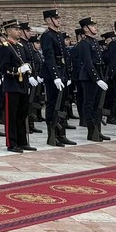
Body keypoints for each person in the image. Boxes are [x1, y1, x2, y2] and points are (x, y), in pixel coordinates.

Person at [0, 21, 33, 153]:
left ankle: (22, 141)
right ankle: (12, 143)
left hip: (22, 85)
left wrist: (28, 67)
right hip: (12, 86)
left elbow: (28, 60)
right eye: (16, 29)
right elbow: (3, 68)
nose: (19, 31)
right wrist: (18, 70)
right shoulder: (5, 47)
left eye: (19, 29)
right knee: (11, 116)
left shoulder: (21, 46)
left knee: (22, 114)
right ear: (8, 31)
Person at [40, 10, 73, 147]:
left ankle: (61, 133)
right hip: (53, 76)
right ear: (48, 20)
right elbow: (49, 57)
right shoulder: (47, 36)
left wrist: (67, 75)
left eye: (58, 18)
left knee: (62, 104)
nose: (58, 20)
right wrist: (55, 76)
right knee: (53, 104)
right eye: (55, 18)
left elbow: (65, 56)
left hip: (62, 74)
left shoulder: (59, 35)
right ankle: (52, 134)